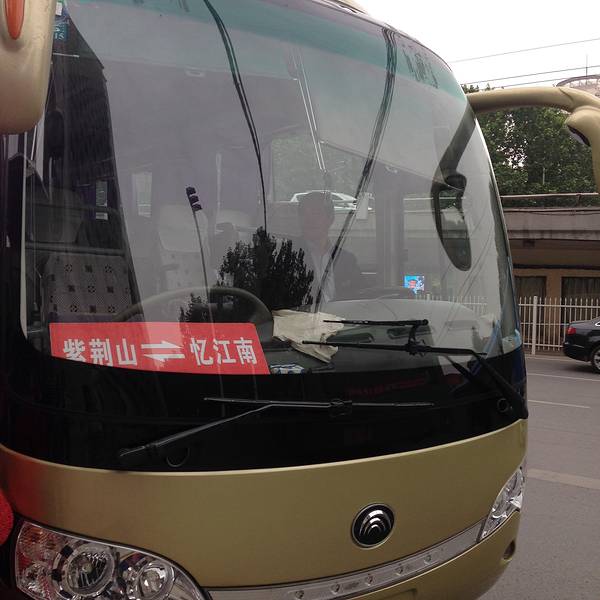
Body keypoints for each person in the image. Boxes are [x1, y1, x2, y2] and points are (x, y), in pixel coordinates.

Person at [296, 191, 363, 304]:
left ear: (330, 219)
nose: (310, 220)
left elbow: (362, 297)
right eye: (304, 214)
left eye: (316, 213)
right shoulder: (288, 254)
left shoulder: (347, 260)